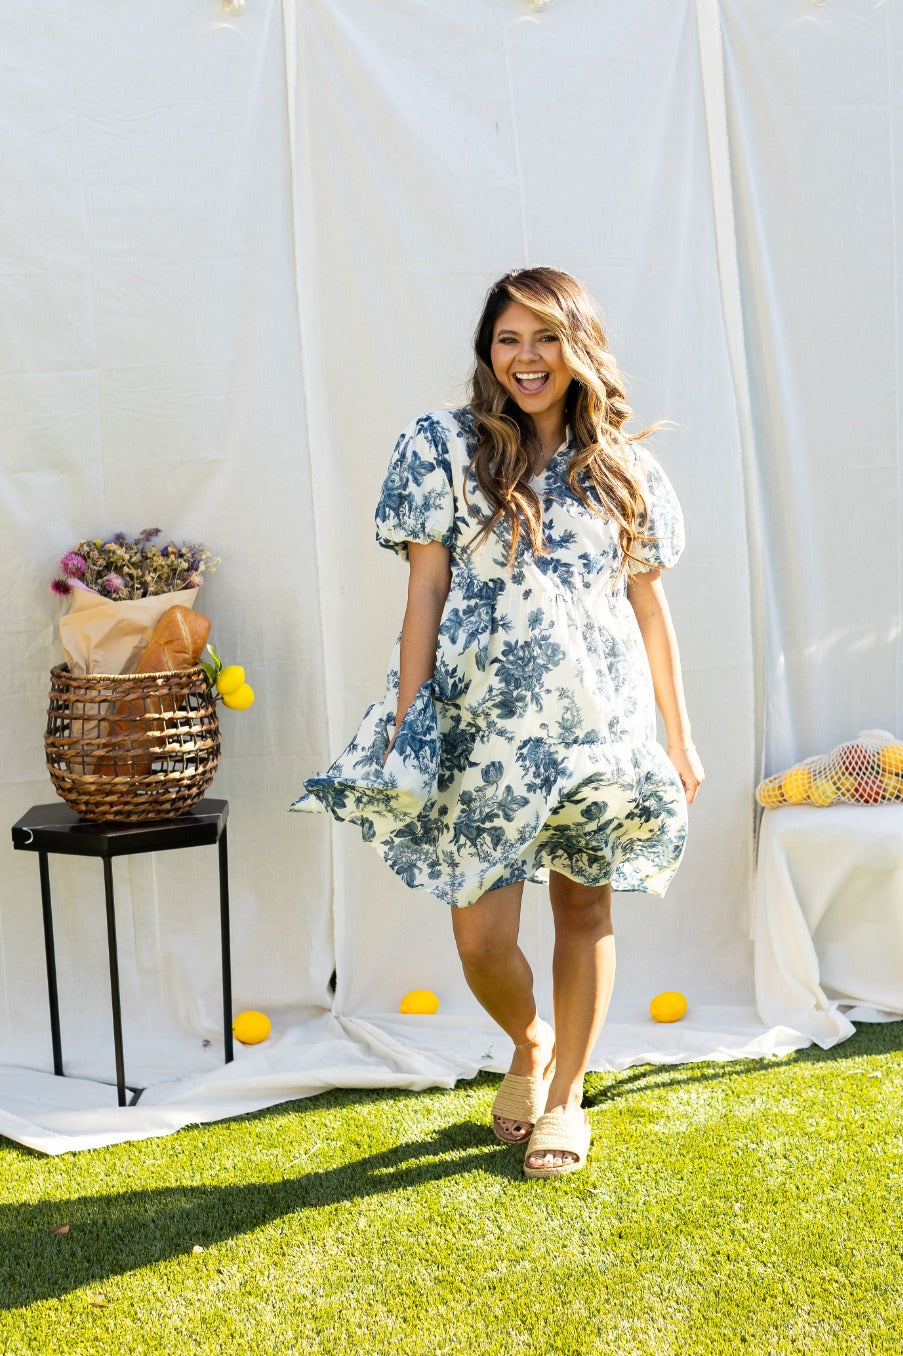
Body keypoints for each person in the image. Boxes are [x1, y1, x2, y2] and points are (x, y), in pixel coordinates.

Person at [292, 266, 704, 1178]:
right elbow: (426, 588)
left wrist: (678, 736)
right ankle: (531, 1043)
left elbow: (648, 612)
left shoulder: (624, 468)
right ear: (488, 349)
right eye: (509, 338)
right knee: (480, 936)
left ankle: (565, 1104)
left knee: (583, 907)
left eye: (547, 338)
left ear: (578, 348)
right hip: (479, 726)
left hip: (600, 724)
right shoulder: (440, 446)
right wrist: (408, 721)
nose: (526, 358)